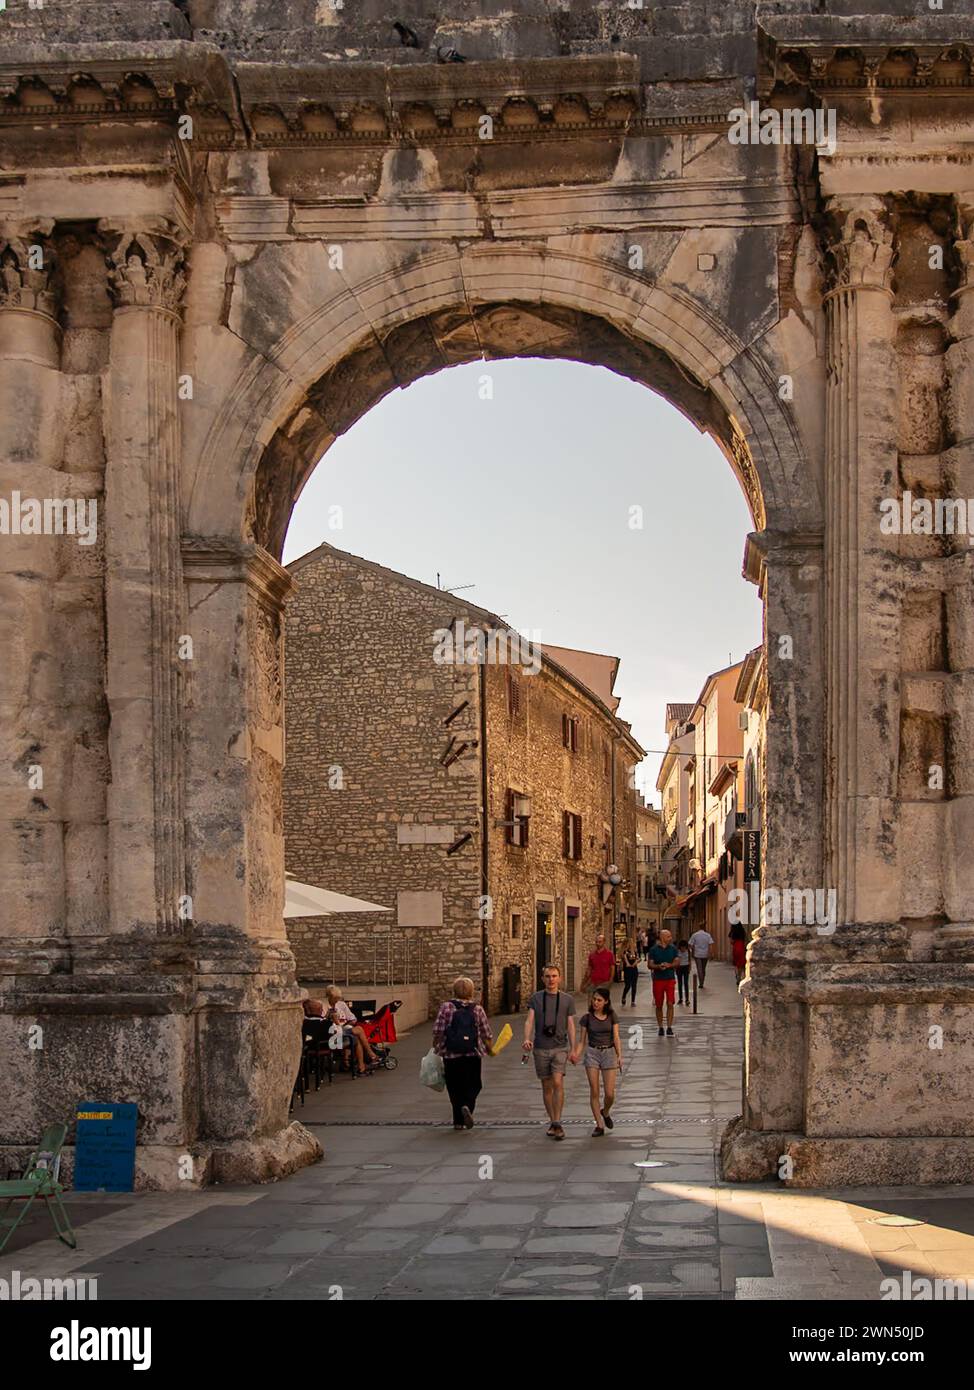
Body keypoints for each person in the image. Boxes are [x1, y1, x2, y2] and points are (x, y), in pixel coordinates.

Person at [523, 963, 577, 1139]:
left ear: (559, 978)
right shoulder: (536, 998)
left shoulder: (568, 1000)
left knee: (557, 1082)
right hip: (540, 1047)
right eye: (547, 976)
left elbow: (570, 1024)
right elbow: (529, 1020)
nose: (551, 980)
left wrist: (573, 1048)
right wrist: (527, 1038)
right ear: (542, 979)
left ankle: (558, 1122)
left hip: (560, 1047)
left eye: (554, 976)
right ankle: (553, 1120)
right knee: (546, 1087)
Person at [432, 977, 493, 1130]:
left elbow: (438, 1030)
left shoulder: (446, 1007)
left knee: (454, 1086)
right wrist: (489, 1048)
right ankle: (467, 1106)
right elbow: (486, 1032)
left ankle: (458, 1121)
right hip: (472, 1053)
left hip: (451, 1054)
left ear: (454, 990)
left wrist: (436, 1046)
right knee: (474, 1084)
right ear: (471, 991)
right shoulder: (477, 1009)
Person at [572, 987, 623, 1136]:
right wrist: (576, 1053)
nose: (595, 1002)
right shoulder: (586, 1018)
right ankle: (599, 1125)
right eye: (594, 999)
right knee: (594, 1090)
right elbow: (582, 1041)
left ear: (606, 1002)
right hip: (592, 1053)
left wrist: (620, 1055)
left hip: (608, 1052)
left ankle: (605, 1112)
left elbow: (616, 1037)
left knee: (609, 1094)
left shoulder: (612, 1016)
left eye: (599, 1000)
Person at [324, 986, 379, 1075]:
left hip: (344, 1028)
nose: (337, 1000)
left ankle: (361, 1066)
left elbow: (353, 1018)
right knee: (359, 1030)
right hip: (333, 1033)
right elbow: (323, 1023)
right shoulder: (324, 1006)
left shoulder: (341, 1004)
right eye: (335, 998)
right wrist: (331, 1018)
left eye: (338, 998)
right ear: (329, 997)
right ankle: (370, 1055)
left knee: (356, 1036)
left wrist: (346, 1024)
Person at [648, 927, 679, 1037]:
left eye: (670, 936)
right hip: (658, 980)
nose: (670, 938)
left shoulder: (673, 949)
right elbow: (649, 965)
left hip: (670, 978)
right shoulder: (653, 950)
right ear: (662, 937)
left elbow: (677, 961)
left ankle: (669, 1027)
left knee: (670, 1003)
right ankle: (660, 1026)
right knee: (659, 1004)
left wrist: (669, 965)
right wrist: (658, 966)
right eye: (668, 936)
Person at [585, 932, 616, 1000]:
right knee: (590, 998)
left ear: (604, 942)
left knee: (601, 1000)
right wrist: (586, 981)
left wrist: (610, 980)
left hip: (604, 982)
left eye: (600, 942)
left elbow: (612, 968)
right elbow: (590, 968)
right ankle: (591, 1010)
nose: (598, 943)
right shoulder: (592, 955)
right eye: (596, 942)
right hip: (594, 981)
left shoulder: (609, 954)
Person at [620, 939, 639, 1007]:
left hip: (634, 969)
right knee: (627, 985)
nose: (632, 944)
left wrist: (635, 963)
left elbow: (638, 958)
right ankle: (624, 996)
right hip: (627, 970)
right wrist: (628, 964)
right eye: (630, 943)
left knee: (634, 985)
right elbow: (624, 958)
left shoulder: (635, 951)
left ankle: (633, 1001)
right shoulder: (625, 952)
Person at [676, 937, 691, 1005]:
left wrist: (689, 967)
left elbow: (689, 960)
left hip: (686, 967)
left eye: (684, 947)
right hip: (679, 967)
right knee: (679, 983)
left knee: (686, 983)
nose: (683, 949)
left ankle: (687, 999)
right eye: (682, 947)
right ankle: (680, 998)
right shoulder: (677, 951)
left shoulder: (688, 951)